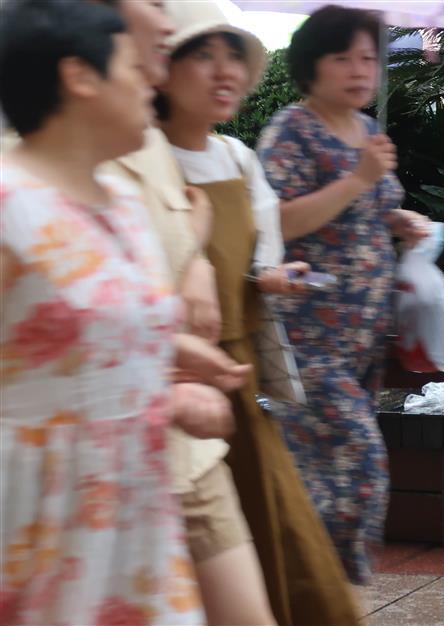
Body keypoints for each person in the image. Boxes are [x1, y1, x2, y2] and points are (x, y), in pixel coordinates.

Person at [0, 1, 228, 621]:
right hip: (37, 519)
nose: (152, 80)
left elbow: (104, 339)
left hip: (135, 518)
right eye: (133, 65)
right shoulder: (8, 201)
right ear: (79, 76)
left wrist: (173, 394)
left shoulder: (124, 202)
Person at [157, 2, 360, 623]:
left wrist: (271, 273)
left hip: (242, 366)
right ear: (160, 70)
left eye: (231, 57)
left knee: (270, 517)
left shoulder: (236, 158)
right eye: (202, 55)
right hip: (178, 372)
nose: (224, 72)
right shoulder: (142, 160)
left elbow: (263, 232)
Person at [96, 1, 275, 624]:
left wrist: (196, 257)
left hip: (189, 450)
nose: (162, 14)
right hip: (95, 465)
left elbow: (175, 218)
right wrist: (161, 380)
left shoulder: (140, 133)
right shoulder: (28, 165)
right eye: (200, 52)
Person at [256, 5, 429, 585]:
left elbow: (367, 211)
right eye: (343, 58)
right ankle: (317, 579)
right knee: (359, 458)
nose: (360, 70)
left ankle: (302, 586)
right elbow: (275, 223)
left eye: (368, 58)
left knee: (317, 471)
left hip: (362, 338)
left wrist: (397, 219)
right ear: (311, 66)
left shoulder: (369, 131)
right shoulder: (291, 130)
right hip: (307, 337)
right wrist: (356, 180)